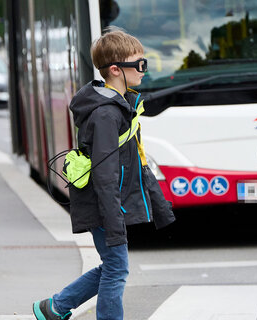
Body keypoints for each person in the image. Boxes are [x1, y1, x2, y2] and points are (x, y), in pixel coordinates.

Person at [32, 27, 176, 320]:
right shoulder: (106, 114)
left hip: (108, 202)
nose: (144, 70)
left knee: (113, 265)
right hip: (104, 202)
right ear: (115, 69)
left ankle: (55, 307)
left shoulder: (118, 107)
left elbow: (132, 162)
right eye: (139, 64)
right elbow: (106, 173)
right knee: (117, 268)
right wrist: (114, 216)